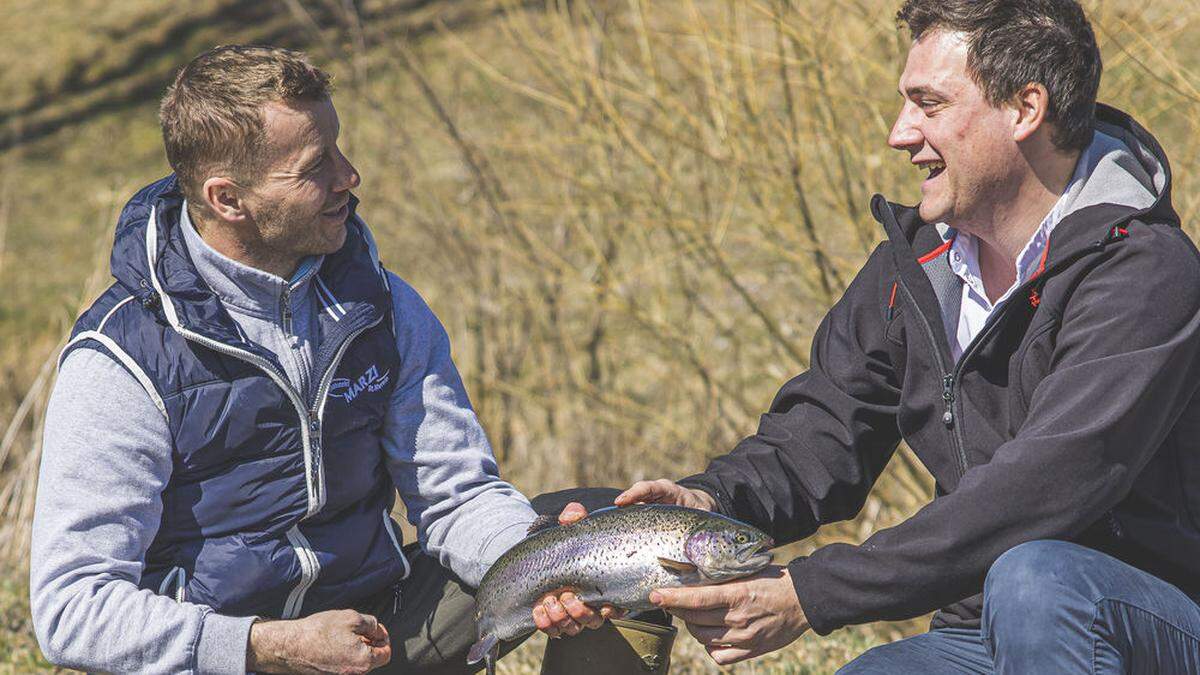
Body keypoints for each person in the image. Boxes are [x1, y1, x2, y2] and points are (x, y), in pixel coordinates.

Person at [543, 0, 1200, 671]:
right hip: (981, 631)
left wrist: (810, 591)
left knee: (1039, 579)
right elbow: (819, 440)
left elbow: (1040, 491)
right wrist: (709, 501)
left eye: (929, 103)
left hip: (1152, 621)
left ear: (1025, 109)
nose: (898, 132)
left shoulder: (1145, 274)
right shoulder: (912, 264)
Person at [28, 45, 638, 675]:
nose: (350, 176)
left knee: (610, 540)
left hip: (374, 627)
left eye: (340, 150)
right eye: (317, 166)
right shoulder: (121, 360)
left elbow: (456, 497)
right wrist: (266, 645)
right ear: (228, 198)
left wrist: (544, 567)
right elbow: (72, 609)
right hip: (224, 653)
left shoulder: (382, 305)